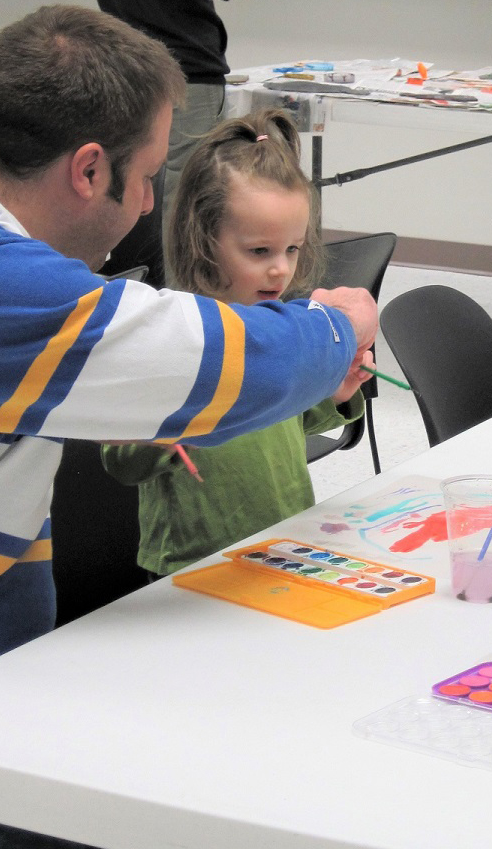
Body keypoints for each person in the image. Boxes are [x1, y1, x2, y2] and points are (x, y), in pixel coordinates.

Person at [0, 5, 377, 660]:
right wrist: (340, 323)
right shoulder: (20, 293)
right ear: (88, 171)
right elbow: (249, 364)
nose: (149, 203)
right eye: (146, 177)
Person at [102, 108, 372, 577]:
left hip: (282, 545)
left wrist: (338, 393)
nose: (281, 270)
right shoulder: (176, 335)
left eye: (292, 249)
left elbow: (294, 416)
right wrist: (163, 431)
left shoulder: (281, 329)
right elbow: (119, 462)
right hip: (191, 565)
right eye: (259, 251)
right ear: (204, 238)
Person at [96, 0, 230, 285]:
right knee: (189, 202)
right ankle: (183, 312)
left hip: (127, 65)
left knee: (126, 185)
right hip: (187, 66)